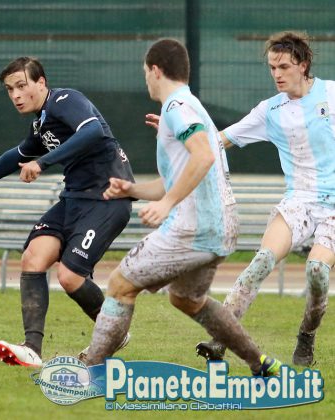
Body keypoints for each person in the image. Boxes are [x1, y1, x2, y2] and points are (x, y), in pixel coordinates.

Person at [81, 38, 281, 377]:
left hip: (194, 227)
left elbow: (202, 156)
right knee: (186, 299)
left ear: (156, 70)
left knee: (119, 285)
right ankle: (260, 362)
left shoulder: (177, 107)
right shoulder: (190, 107)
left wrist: (167, 203)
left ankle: (89, 370)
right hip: (219, 227)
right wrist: (132, 190)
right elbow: (177, 177)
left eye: (146, 72)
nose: (146, 79)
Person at [0, 57, 135, 367]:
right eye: (10, 89)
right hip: (74, 199)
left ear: (41, 83)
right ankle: (32, 349)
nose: (16, 95)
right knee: (33, 258)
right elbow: (15, 156)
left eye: (21, 86)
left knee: (69, 276)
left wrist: (42, 162)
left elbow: (93, 131)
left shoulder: (65, 100)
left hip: (108, 198)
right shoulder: (41, 124)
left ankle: (114, 331)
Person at [193, 31, 335, 367]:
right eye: (272, 67)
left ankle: (306, 335)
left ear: (303, 64)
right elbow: (220, 140)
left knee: (317, 270)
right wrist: (181, 135)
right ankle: (220, 339)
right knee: (261, 262)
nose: (277, 74)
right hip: (298, 202)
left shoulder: (331, 93)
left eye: (284, 66)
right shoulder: (270, 110)